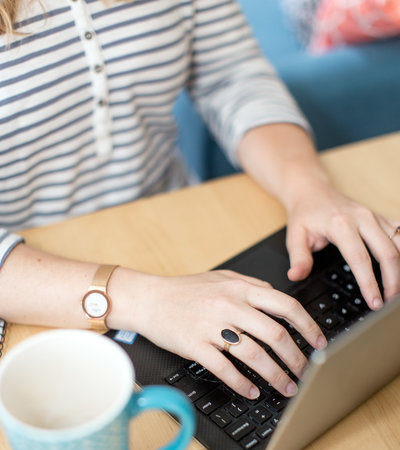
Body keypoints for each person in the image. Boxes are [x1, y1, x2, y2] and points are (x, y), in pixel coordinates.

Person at [0, 0, 399, 401]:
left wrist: (308, 189)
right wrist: (140, 298)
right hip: (30, 292)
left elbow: (232, 78)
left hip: (177, 234)